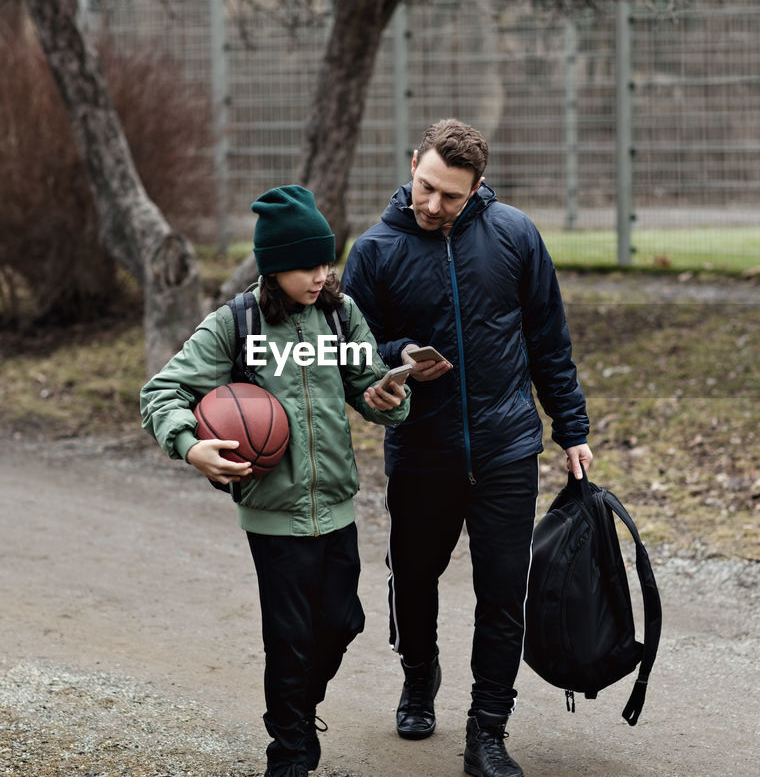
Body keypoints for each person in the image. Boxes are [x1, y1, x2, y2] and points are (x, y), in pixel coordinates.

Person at [342, 119, 592, 777]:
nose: (432, 204)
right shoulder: (373, 251)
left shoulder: (515, 236)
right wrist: (394, 361)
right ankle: (419, 672)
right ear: (414, 161)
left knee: (505, 592)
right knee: (415, 576)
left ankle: (487, 733)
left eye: (450, 196)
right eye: (426, 187)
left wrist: (573, 430)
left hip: (507, 447)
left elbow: (548, 340)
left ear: (477, 187)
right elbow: (351, 357)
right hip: (423, 453)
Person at [140, 185, 410, 777]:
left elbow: (374, 391)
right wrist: (191, 446)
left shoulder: (340, 314)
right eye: (306, 264)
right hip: (272, 513)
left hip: (337, 506)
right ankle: (288, 749)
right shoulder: (235, 324)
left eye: (326, 260)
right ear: (272, 266)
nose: (321, 274)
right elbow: (162, 392)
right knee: (288, 638)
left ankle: (296, 709)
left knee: (343, 624)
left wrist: (391, 395)